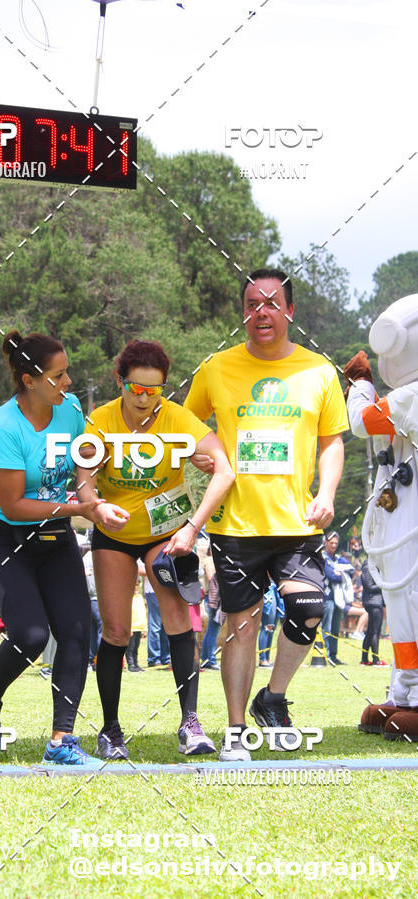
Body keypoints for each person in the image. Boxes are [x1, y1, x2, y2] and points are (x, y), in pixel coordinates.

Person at [184, 268, 348, 760]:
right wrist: (204, 452)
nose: (262, 313)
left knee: (308, 607)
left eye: (272, 303)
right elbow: (186, 425)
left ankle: (272, 698)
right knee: (242, 624)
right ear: (243, 313)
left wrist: (327, 493)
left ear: (289, 311)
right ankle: (237, 730)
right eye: (252, 304)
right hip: (236, 523)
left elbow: (332, 442)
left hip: (297, 521)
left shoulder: (319, 371)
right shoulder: (216, 367)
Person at [76, 339, 235, 758]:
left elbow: (225, 470)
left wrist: (193, 528)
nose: (145, 398)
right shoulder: (100, 420)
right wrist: (96, 507)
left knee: (179, 620)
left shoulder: (178, 419)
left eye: (154, 390)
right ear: (120, 381)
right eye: (136, 388)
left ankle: (190, 724)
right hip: (114, 533)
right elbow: (83, 480)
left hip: (167, 531)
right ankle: (110, 730)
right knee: (116, 630)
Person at [0, 330, 105, 764]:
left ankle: (61, 742)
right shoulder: (3, 427)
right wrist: (79, 508)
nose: (68, 382)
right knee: (30, 635)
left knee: (77, 632)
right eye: (58, 375)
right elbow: (13, 506)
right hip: (3, 541)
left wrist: (91, 498)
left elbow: (84, 465)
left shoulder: (71, 411)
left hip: (54, 538)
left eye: (67, 373)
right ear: (29, 380)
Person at [345, 293, 418, 739]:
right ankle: (403, 692)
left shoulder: (412, 396)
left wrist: (360, 384)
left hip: (411, 525)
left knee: (412, 605)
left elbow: (363, 420)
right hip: (401, 520)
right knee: (401, 609)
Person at [321, 532, 355, 664]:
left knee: (335, 628)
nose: (334, 545)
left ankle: (333, 656)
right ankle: (326, 655)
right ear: (326, 542)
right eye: (331, 543)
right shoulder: (322, 557)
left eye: (336, 543)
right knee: (327, 628)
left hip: (339, 598)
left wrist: (340, 573)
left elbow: (351, 570)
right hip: (327, 597)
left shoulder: (338, 559)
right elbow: (331, 576)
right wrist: (341, 574)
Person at [360, 558, 387, 667]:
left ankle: (364, 659)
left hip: (375, 601)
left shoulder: (374, 566)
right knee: (375, 632)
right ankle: (376, 660)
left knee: (371, 632)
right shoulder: (368, 566)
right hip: (373, 602)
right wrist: (384, 584)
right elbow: (369, 586)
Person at [200, 548, 221, 670]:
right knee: (213, 630)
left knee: (211, 630)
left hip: (216, 598)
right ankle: (210, 660)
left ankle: (206, 658)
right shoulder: (209, 561)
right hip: (213, 599)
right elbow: (210, 577)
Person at [258, 581, 284, 668]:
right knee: (267, 626)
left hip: (276, 589)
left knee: (272, 628)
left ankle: (267, 657)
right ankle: (262, 659)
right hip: (268, 589)